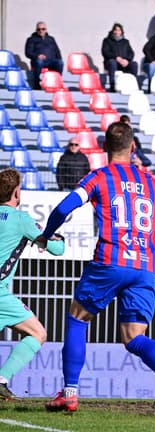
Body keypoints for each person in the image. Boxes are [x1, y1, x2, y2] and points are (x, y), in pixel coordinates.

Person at [41, 122, 155, 416]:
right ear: (133, 148)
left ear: (105, 148)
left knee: (78, 319)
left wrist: (47, 234)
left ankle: (69, 393)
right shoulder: (151, 183)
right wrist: (151, 249)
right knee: (134, 337)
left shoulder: (99, 178)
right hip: (143, 268)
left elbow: (62, 209)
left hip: (109, 260)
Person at [0, 169, 64, 400]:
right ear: (17, 193)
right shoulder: (22, 220)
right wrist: (57, 239)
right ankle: (2, 379)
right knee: (37, 333)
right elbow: (58, 250)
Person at [24, 21, 63, 90]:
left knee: (60, 62)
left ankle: (57, 82)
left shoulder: (51, 39)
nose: (41, 31)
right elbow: (28, 53)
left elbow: (57, 51)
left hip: (50, 61)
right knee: (39, 62)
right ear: (36, 30)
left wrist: (59, 59)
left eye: (43, 29)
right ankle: (37, 83)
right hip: (38, 61)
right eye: (38, 29)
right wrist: (37, 56)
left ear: (46, 29)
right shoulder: (31, 39)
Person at [101, 23, 138, 93]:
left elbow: (131, 53)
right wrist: (116, 58)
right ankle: (112, 85)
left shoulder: (126, 42)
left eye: (119, 30)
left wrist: (127, 60)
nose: (117, 32)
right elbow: (105, 52)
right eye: (116, 30)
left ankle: (134, 84)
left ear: (121, 32)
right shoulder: (107, 41)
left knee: (134, 64)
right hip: (112, 62)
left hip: (124, 63)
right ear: (113, 31)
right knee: (112, 62)